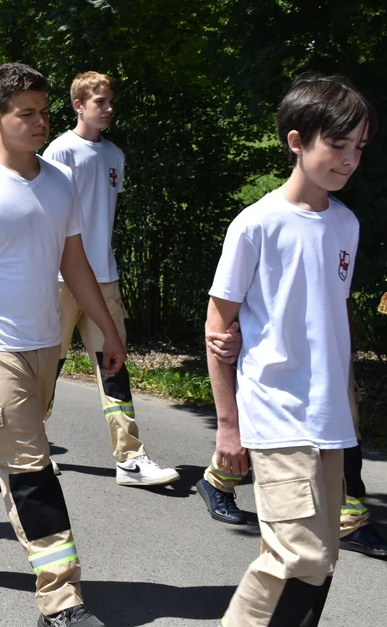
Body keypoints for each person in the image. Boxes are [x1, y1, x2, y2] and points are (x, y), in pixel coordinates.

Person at [0, 64, 119, 627]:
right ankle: (61, 598)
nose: (38, 122)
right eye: (25, 113)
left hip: (45, 346)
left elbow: (74, 262)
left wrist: (104, 329)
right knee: (32, 467)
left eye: (43, 111)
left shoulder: (59, 182)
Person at [204, 73, 375, 625]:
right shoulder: (256, 224)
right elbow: (217, 327)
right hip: (277, 414)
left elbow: (333, 317)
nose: (349, 159)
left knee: (317, 563)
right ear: (297, 141)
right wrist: (228, 428)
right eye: (338, 145)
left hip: (329, 420)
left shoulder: (346, 224)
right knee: (299, 555)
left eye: (359, 147)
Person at [43, 71, 178, 486]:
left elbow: (106, 220)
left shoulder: (115, 156)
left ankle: (130, 458)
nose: (109, 108)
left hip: (105, 280)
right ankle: (29, 445)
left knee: (114, 368)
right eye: (100, 101)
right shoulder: (59, 152)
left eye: (110, 101)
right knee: (47, 366)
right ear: (78, 105)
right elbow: (48, 217)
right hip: (62, 281)